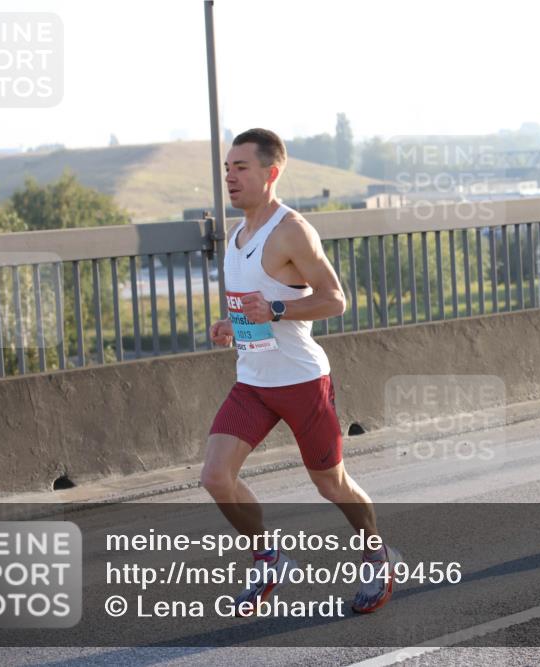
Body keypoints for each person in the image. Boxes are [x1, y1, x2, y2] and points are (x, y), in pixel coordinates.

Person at [203, 128, 400, 614]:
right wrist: (232, 323)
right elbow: (257, 305)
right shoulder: (236, 234)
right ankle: (268, 557)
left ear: (270, 174)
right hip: (252, 382)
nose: (230, 176)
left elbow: (335, 300)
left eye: (241, 167)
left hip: (301, 382)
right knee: (215, 476)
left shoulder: (291, 230)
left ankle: (376, 554)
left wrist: (272, 309)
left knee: (330, 483)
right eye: (227, 167)